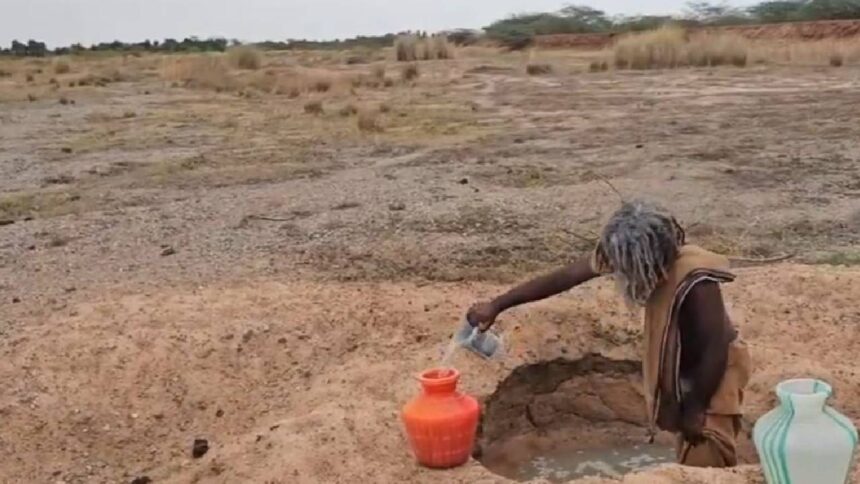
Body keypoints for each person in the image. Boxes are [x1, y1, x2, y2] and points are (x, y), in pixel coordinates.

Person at [467, 200, 751, 468]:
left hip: (713, 372)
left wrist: (696, 407)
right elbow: (564, 277)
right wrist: (497, 305)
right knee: (686, 443)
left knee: (706, 452)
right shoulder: (626, 252)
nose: (622, 273)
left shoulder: (696, 280)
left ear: (655, 259)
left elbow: (715, 347)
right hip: (680, 367)